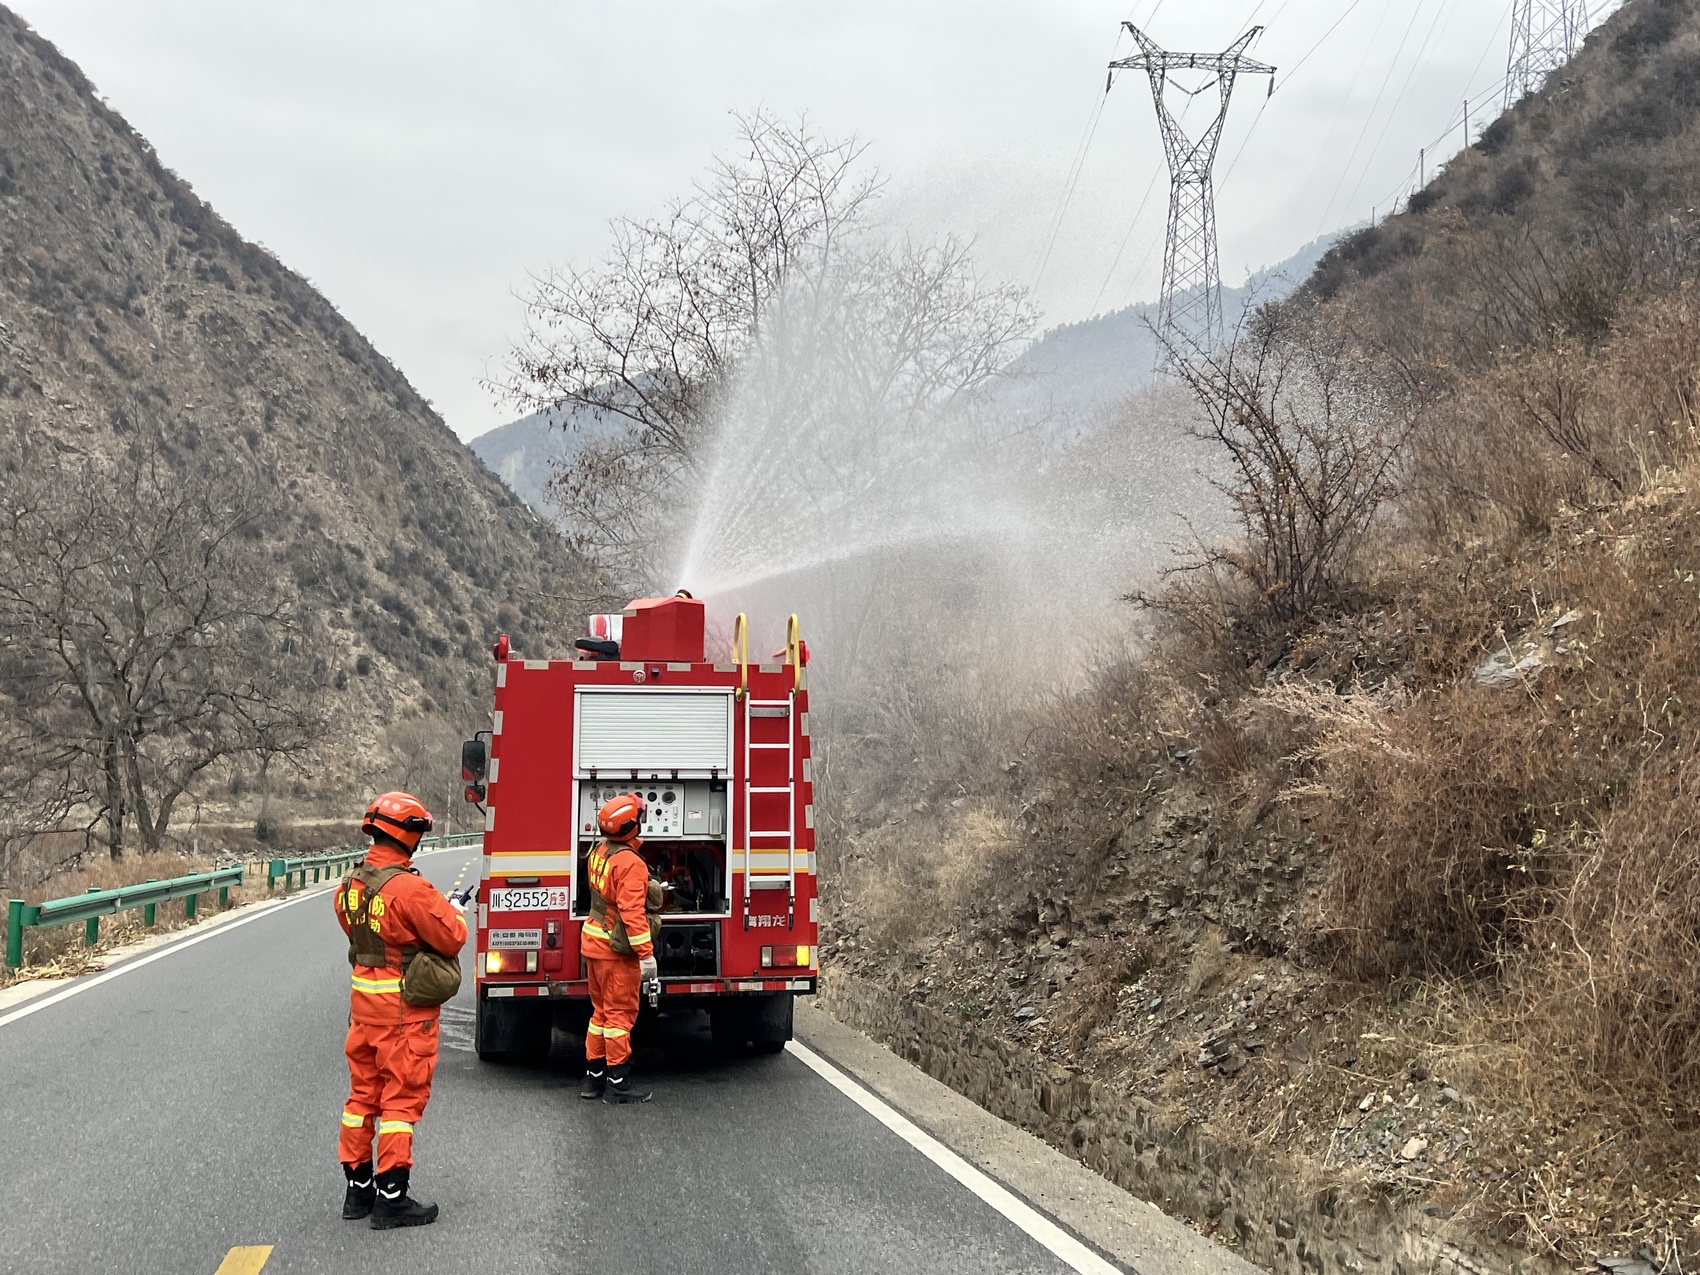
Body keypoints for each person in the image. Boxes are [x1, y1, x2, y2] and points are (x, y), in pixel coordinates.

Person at [334, 792, 468, 1228]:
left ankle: (358, 1191)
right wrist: (455, 912)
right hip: (403, 1016)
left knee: (361, 1099)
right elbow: (451, 938)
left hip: (363, 1013)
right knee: (400, 1104)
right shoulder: (410, 889)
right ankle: (392, 1197)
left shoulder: (349, 884)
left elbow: (359, 934)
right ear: (409, 835)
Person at [579, 792, 661, 1104]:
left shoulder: (600, 851)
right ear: (631, 827)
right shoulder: (631, 863)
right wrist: (646, 955)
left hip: (593, 942)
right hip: (614, 952)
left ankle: (593, 1079)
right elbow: (632, 914)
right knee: (619, 1018)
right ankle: (618, 1084)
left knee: (600, 1014)